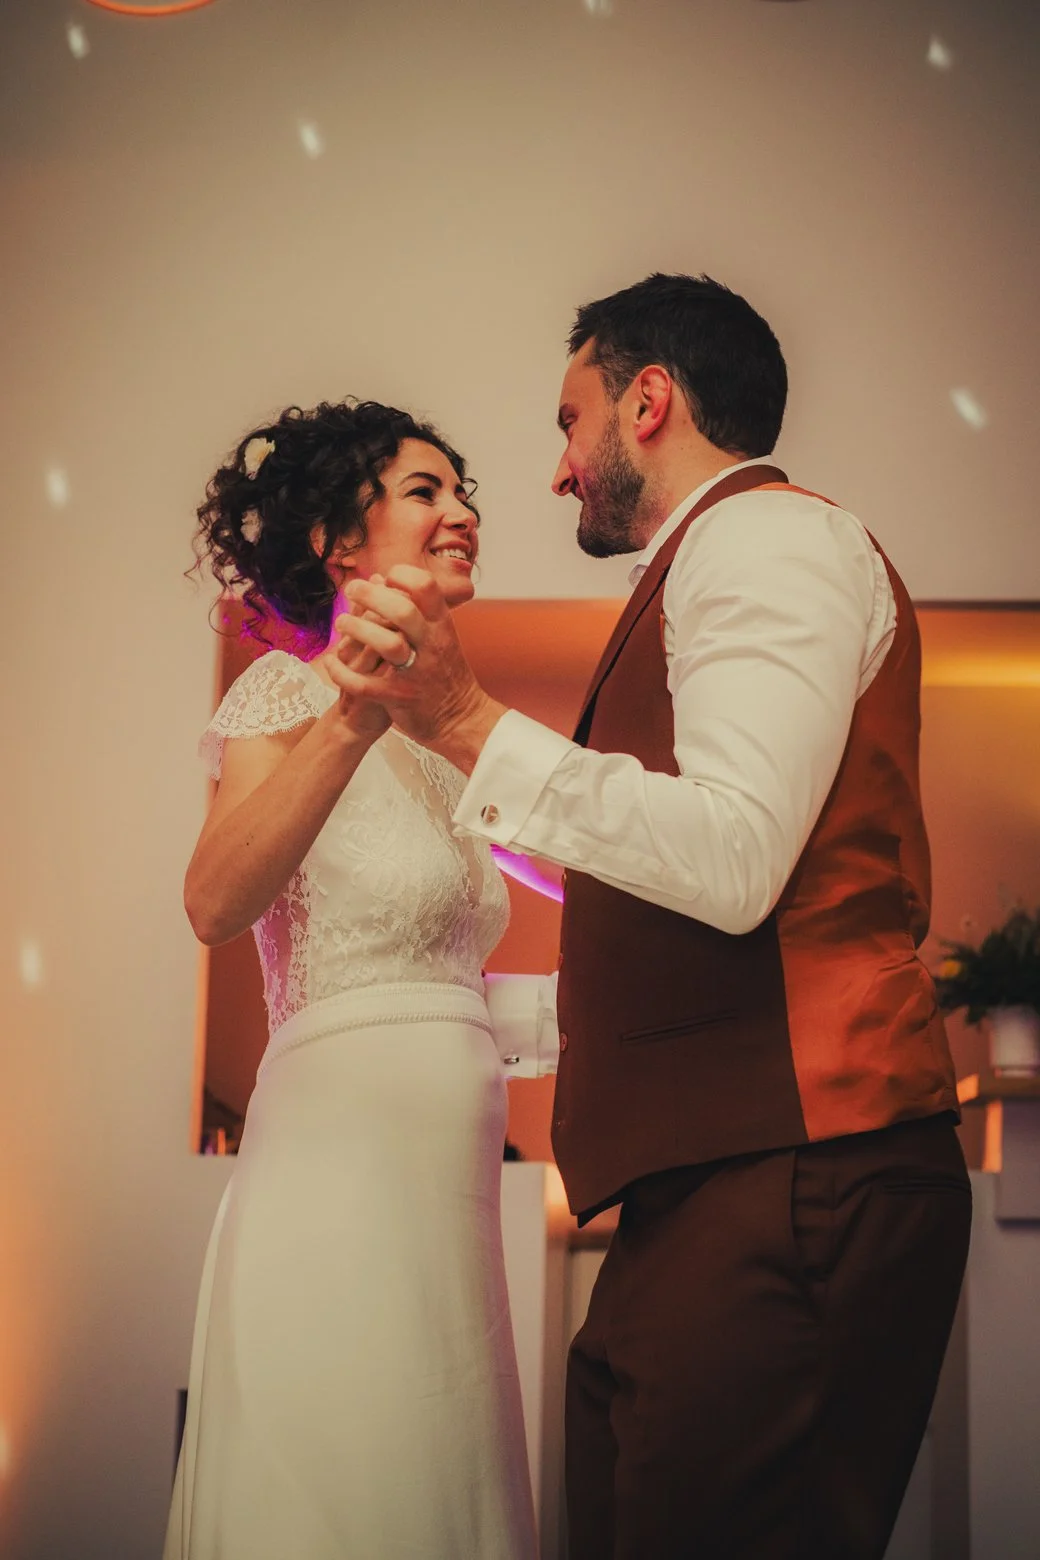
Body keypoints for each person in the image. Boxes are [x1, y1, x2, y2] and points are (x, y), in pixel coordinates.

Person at [329, 274, 973, 1560]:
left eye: (568, 420)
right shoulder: (706, 560)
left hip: (801, 1161)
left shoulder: (764, 540)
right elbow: (667, 881)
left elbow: (730, 856)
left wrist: (467, 721)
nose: (557, 468)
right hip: (717, 1178)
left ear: (648, 401)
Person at [165, 399, 541, 1560]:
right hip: (337, 1170)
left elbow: (486, 938)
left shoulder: (453, 739)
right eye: (425, 491)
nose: (461, 511)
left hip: (449, 1199)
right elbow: (213, 902)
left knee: (433, 1469)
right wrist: (349, 716)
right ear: (337, 543)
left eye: (460, 491)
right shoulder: (284, 696)